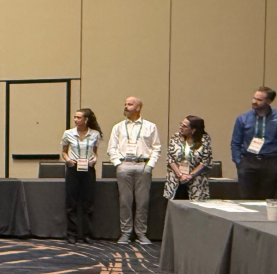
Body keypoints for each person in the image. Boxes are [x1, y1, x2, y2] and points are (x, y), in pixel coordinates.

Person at [107, 96, 161, 244]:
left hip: (142, 165)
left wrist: (150, 166)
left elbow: (156, 148)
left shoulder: (150, 126)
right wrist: (118, 164)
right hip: (124, 165)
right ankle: (125, 233)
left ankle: (141, 233)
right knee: (125, 201)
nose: (126, 106)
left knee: (142, 202)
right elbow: (112, 148)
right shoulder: (118, 127)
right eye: (125, 104)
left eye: (130, 104)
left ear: (138, 108)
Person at [230, 86, 277, 200]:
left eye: (259, 100)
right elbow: (236, 142)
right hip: (248, 161)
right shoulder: (243, 118)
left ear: (269, 101)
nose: (254, 101)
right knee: (246, 198)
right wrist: (239, 162)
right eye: (254, 98)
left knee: (266, 199)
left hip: (271, 162)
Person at [60, 108, 102, 244]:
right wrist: (68, 160)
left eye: (79, 117)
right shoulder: (68, 133)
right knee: (71, 203)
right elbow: (64, 151)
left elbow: (95, 151)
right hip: (73, 168)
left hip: (88, 168)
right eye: (75, 117)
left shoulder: (94, 134)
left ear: (86, 119)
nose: (75, 120)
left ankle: (87, 234)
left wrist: (94, 160)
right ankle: (71, 233)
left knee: (87, 203)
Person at [165, 115, 213, 203]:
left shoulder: (204, 139)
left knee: (194, 208)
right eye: (181, 124)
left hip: (196, 180)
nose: (181, 127)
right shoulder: (175, 137)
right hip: (176, 178)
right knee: (175, 206)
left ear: (193, 129)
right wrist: (180, 175)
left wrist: (190, 175)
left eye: (184, 126)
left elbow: (206, 161)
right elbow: (170, 158)